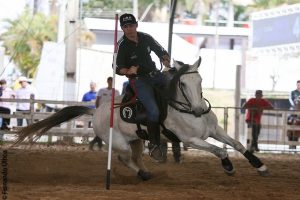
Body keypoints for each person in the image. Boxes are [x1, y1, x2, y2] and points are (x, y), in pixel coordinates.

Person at [116, 13, 171, 162]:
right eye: (125, 26)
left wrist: (165, 59)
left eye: (131, 25)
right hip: (139, 81)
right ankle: (153, 145)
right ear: (122, 28)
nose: (129, 29)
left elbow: (161, 50)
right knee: (153, 111)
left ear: (136, 25)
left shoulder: (146, 37)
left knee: (176, 88)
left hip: (155, 75)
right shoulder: (121, 46)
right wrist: (127, 71)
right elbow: (117, 68)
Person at [89, 77, 120, 150]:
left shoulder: (116, 92)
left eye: (112, 81)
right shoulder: (101, 90)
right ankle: (98, 145)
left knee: (104, 129)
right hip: (101, 112)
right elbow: (97, 101)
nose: (110, 82)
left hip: (111, 113)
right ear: (107, 81)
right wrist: (97, 110)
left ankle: (95, 143)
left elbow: (117, 102)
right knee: (101, 129)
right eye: (109, 81)